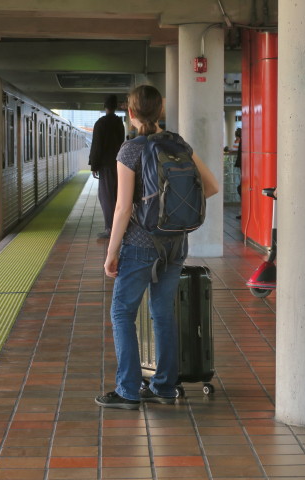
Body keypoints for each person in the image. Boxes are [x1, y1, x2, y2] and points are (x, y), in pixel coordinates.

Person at [94, 85, 219, 410]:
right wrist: (173, 211)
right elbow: (212, 186)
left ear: (130, 113)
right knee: (163, 314)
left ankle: (128, 390)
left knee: (122, 312)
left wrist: (111, 253)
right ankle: (164, 386)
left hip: (139, 244)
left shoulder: (130, 151)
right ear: (160, 109)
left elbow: (122, 209)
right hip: (176, 242)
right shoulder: (179, 145)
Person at [89, 94, 125, 238]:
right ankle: (118, 227)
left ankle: (110, 229)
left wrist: (94, 165)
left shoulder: (101, 123)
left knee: (106, 197)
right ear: (116, 107)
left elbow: (96, 146)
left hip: (106, 166)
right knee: (116, 196)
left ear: (105, 107)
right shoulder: (119, 123)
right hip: (119, 164)